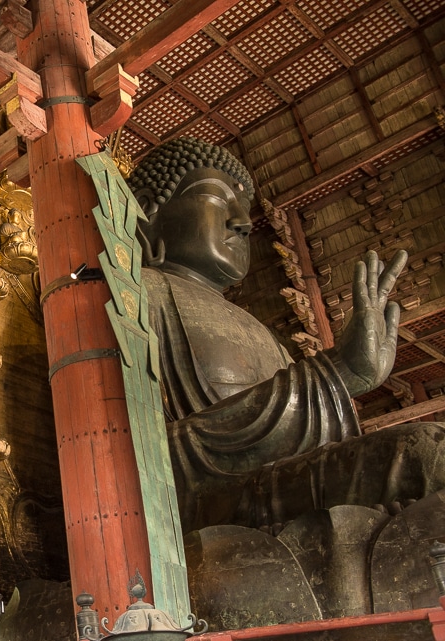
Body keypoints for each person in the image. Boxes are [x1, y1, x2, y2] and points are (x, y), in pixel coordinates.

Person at [126, 137, 445, 531]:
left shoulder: (266, 336)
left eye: (242, 207)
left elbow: (315, 450)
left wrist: (341, 377)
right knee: (425, 456)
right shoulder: (137, 293)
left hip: (280, 488)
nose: (242, 221)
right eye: (216, 197)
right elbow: (138, 452)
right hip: (212, 502)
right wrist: (334, 373)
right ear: (145, 210)